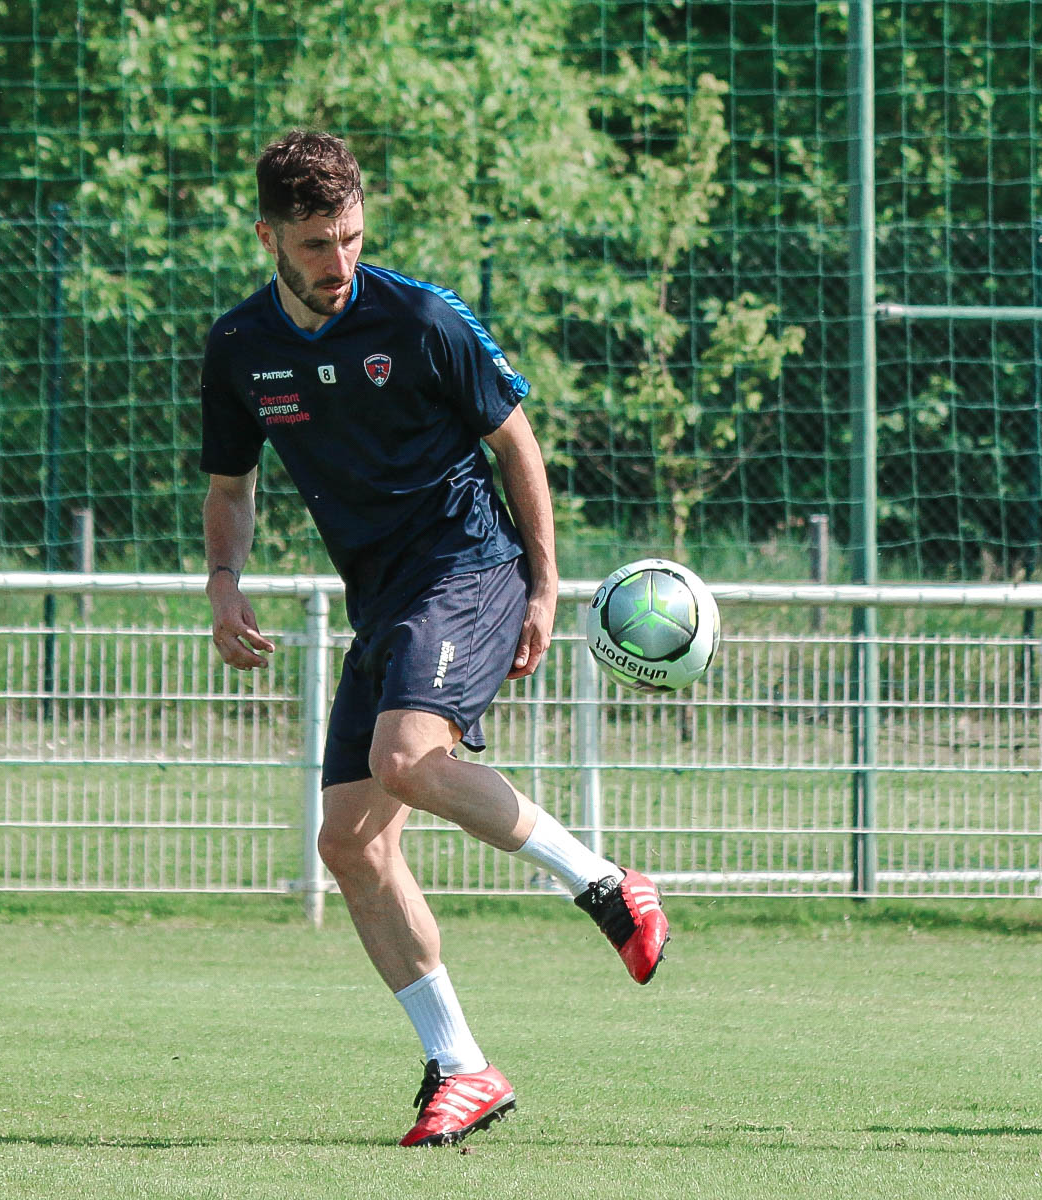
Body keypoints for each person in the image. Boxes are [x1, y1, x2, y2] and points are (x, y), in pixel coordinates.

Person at [198, 129, 669, 1148]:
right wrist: (223, 582)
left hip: (467, 566)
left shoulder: (419, 317)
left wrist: (545, 587)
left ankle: (603, 883)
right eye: (318, 243)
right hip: (383, 602)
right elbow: (229, 484)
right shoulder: (240, 348)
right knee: (348, 845)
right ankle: (463, 1068)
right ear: (268, 234)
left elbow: (516, 444)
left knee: (405, 759)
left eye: (353, 238)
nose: (339, 263)